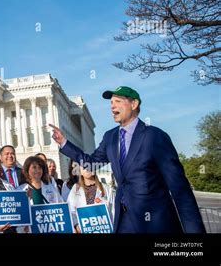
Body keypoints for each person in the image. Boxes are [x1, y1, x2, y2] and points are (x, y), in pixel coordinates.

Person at [50, 86, 206, 233]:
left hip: (154, 223)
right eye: (111, 103)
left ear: (134, 104)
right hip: (124, 223)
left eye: (117, 101)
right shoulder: (110, 137)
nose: (112, 106)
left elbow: (180, 189)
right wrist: (64, 143)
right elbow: (90, 163)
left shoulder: (155, 136)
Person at [67, 163, 113, 233]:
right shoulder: (75, 189)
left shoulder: (106, 188)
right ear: (80, 172)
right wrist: (76, 225)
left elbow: (113, 211)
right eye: (84, 167)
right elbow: (70, 210)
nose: (87, 169)